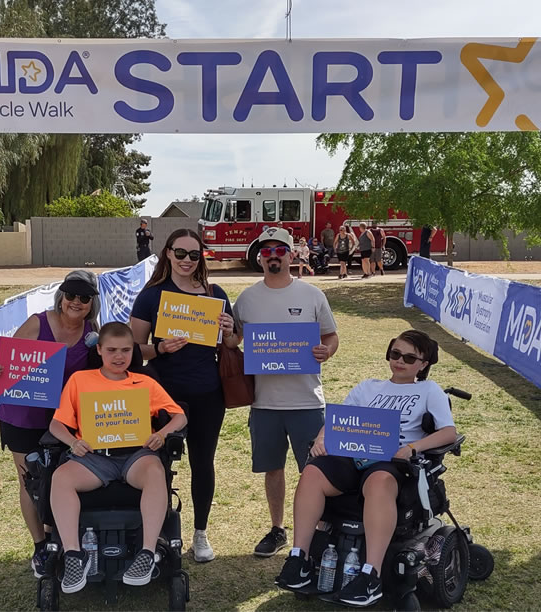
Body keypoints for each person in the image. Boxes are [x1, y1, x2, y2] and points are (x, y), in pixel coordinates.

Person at [275, 329, 456, 606]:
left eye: (409, 358)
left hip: (393, 461)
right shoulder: (368, 387)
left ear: (423, 364)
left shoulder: (428, 390)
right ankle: (299, 559)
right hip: (354, 455)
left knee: (379, 480)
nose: (400, 361)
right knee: (312, 471)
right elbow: (340, 422)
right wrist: (323, 438)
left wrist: (411, 448)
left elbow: (448, 433)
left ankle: (370, 575)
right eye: (395, 354)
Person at [48, 322, 188, 593]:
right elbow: (56, 425)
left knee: (156, 472)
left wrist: (161, 433)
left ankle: (147, 553)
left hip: (135, 454)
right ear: (99, 349)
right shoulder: (80, 380)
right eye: (111, 350)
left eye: (125, 350)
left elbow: (179, 416)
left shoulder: (145, 382)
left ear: (133, 351)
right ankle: (74, 556)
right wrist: (73, 442)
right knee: (61, 478)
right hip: (94, 457)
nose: (119, 356)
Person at [129, 228, 237, 563]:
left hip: (208, 394)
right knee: (157, 464)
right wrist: (159, 348)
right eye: (180, 253)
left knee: (202, 464)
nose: (187, 261)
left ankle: (200, 534)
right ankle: (156, 534)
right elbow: (133, 350)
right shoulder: (151, 296)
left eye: (194, 254)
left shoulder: (215, 293)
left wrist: (230, 331)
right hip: (164, 396)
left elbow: (233, 345)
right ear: (167, 254)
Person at [0, 270, 100, 578]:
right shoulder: (38, 322)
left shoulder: (93, 333)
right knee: (30, 481)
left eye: (84, 297)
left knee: (57, 480)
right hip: (22, 416)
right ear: (61, 295)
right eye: (71, 295)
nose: (76, 302)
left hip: (63, 422)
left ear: (92, 303)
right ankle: (40, 546)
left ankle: (56, 539)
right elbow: (5, 363)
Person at [233, 227, 339, 557]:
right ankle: (278, 529)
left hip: (307, 401)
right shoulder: (247, 299)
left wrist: (327, 351)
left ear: (292, 255)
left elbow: (331, 337)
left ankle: (321, 532)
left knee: (316, 471)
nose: (273, 256)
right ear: (260, 257)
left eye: (280, 250)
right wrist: (225, 333)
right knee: (272, 468)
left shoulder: (312, 295)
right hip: (265, 403)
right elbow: (234, 341)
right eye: (267, 252)